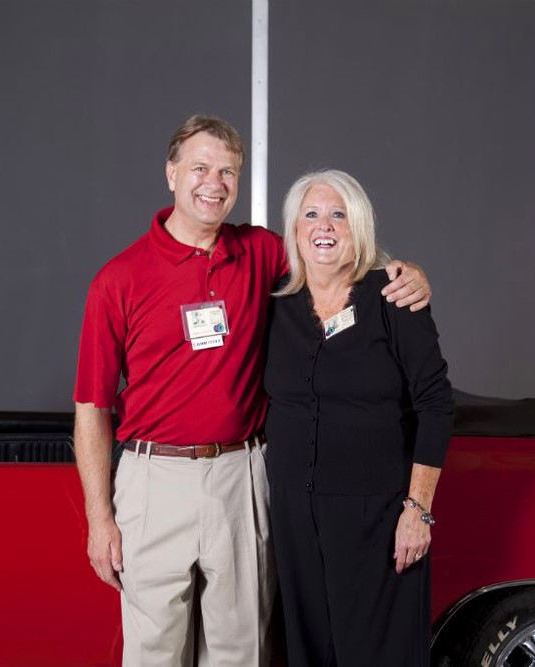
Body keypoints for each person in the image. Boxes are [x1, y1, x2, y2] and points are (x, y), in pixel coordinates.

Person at [73, 116, 431, 666]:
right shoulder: (118, 279)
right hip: (153, 479)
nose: (213, 184)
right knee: (154, 652)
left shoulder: (261, 252)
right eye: (200, 168)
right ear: (171, 174)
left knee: (242, 651)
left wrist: (403, 273)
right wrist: (100, 519)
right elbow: (92, 408)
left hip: (241, 475)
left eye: (228, 172)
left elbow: (334, 254)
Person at [263, 169, 454, 666]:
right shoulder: (276, 303)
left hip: (378, 518)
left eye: (338, 214)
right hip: (294, 516)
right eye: (311, 214)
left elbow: (435, 404)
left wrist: (418, 511)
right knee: (307, 652)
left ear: (359, 226)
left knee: (377, 653)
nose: (323, 226)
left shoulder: (393, 296)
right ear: (295, 229)